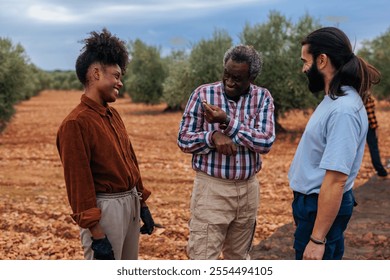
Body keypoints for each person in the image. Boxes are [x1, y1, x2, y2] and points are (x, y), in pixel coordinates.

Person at [56, 28, 155, 260]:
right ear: (97, 73)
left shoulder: (113, 115)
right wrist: (96, 234)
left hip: (129, 203)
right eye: (117, 75)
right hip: (106, 211)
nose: (120, 83)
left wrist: (142, 204)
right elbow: (79, 184)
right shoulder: (75, 123)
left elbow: (131, 161)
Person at [288, 27, 381, 260]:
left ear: (321, 60)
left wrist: (317, 239)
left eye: (305, 62)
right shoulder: (334, 100)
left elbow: (337, 179)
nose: (303, 69)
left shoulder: (343, 110)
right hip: (312, 205)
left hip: (319, 207)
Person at [177, 45, 275, 260]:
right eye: (226, 75)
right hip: (212, 189)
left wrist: (227, 123)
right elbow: (183, 139)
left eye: (237, 78)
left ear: (251, 77)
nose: (230, 82)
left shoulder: (263, 98)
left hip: (248, 190)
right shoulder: (203, 94)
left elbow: (265, 141)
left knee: (239, 259)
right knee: (202, 258)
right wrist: (211, 137)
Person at [364, 95, 388, 177]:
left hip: (360, 125)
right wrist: (375, 127)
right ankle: (381, 171)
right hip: (368, 126)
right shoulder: (366, 96)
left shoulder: (357, 95)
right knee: (374, 148)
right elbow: (370, 114)